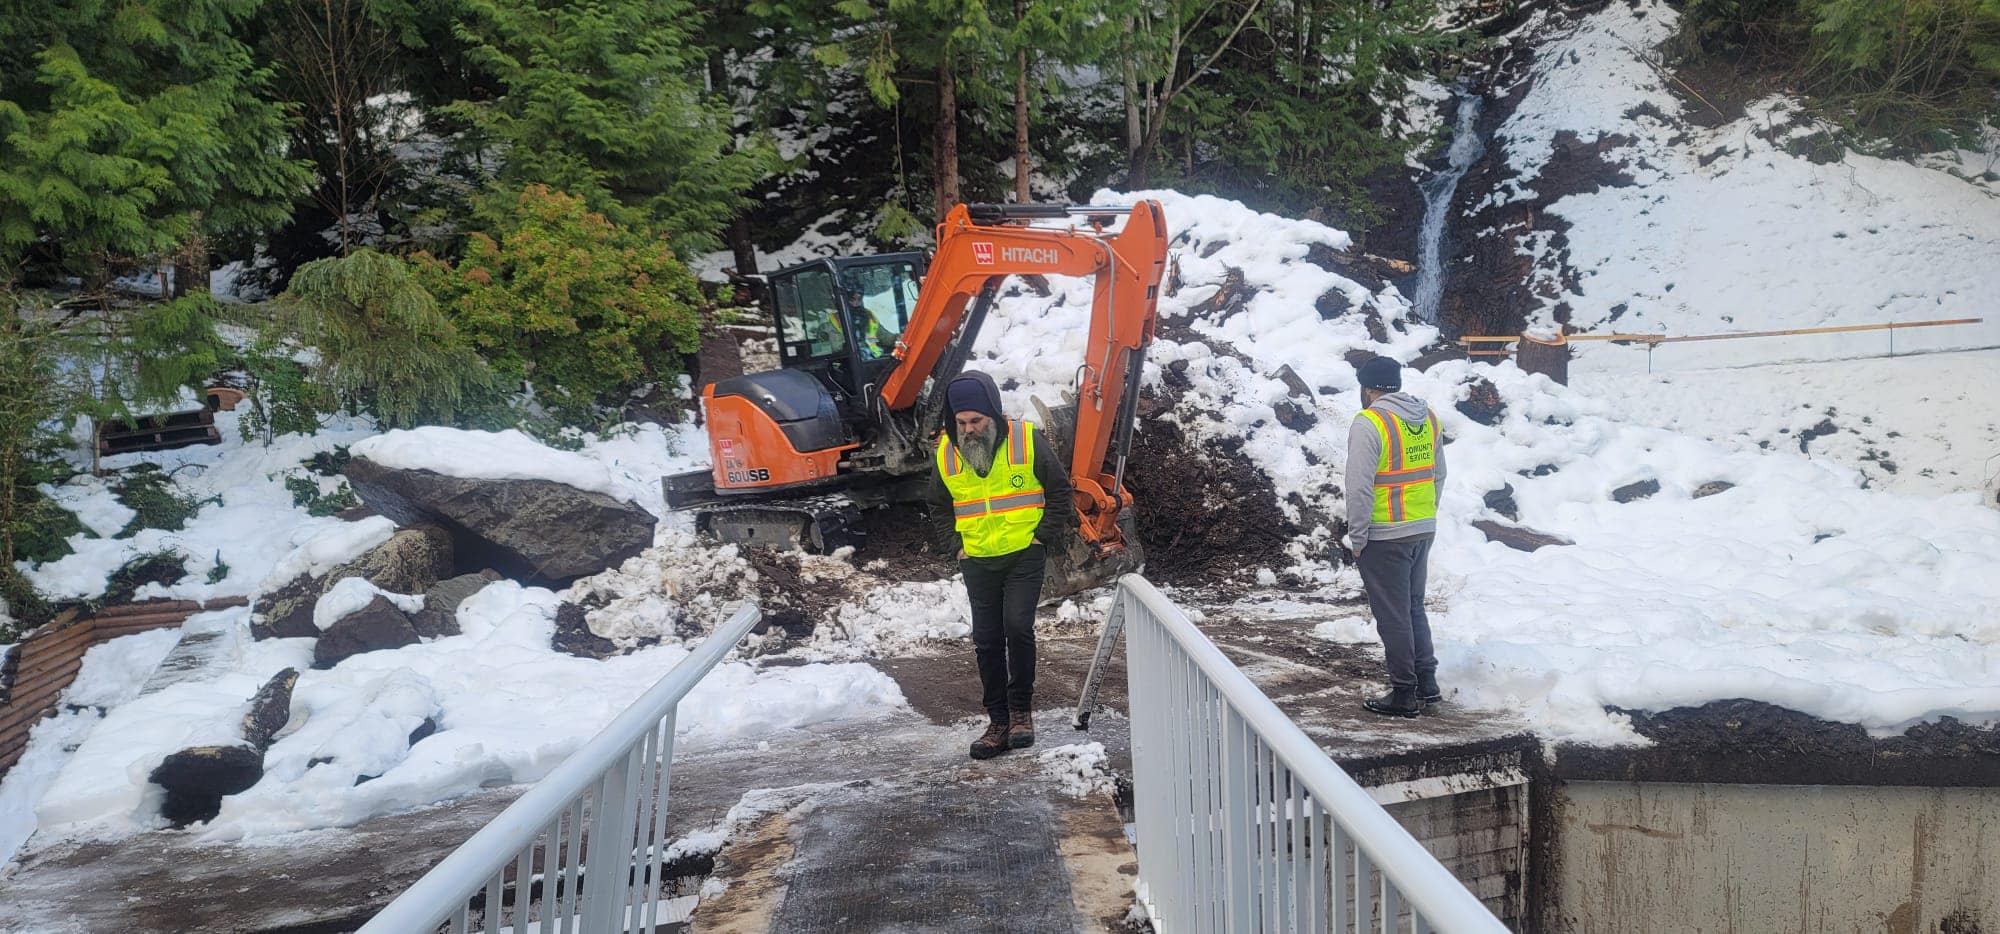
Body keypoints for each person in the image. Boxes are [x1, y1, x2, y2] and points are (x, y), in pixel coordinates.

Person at [928, 371, 1072, 759]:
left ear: (992, 414)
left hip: (1023, 553)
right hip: (976, 559)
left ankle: (1022, 712)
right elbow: (939, 505)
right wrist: (955, 546)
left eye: (976, 421)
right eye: (962, 423)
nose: (969, 430)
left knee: (1017, 627)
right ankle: (998, 721)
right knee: (987, 641)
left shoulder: (1026, 440)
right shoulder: (946, 451)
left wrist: (1042, 536)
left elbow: (1060, 490)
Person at [1344, 356, 1447, 718]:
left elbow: (1358, 488)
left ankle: (1404, 693)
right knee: (1413, 606)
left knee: (1393, 616)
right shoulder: (1428, 417)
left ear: (1367, 388)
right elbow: (1439, 474)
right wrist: (1425, 516)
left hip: (1385, 534)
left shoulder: (1370, 422)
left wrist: (1357, 538)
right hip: (1422, 527)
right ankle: (1427, 682)